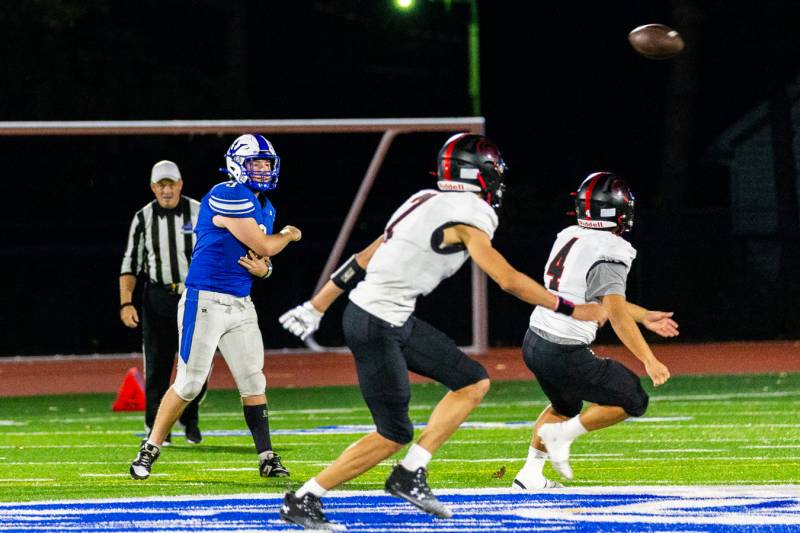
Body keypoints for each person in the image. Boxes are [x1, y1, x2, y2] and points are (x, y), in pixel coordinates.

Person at [276, 133, 608, 530]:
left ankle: (410, 472)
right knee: (393, 433)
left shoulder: (421, 198)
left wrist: (320, 303)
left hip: (388, 317)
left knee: (471, 381)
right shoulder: (472, 214)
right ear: (481, 174)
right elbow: (507, 280)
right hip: (376, 323)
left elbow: (366, 254)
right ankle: (304, 498)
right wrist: (572, 307)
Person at [129, 134, 302, 481]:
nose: (264, 169)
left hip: (241, 303)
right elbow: (264, 243)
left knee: (254, 381)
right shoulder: (228, 193)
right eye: (256, 163)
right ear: (239, 164)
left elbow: (260, 258)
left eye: (267, 163)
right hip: (205, 300)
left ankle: (267, 456)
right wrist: (288, 236)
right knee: (191, 382)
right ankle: (150, 448)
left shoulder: (263, 205)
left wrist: (266, 268)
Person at [511, 172, 676, 491]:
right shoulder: (610, 249)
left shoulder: (571, 235)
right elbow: (614, 311)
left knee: (565, 406)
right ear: (617, 212)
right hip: (563, 350)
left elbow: (599, 296)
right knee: (633, 399)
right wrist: (649, 359)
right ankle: (561, 436)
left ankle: (530, 476)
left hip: (535, 341)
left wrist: (643, 316)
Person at [120, 160, 206, 445]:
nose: (166, 190)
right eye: (161, 185)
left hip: (193, 296)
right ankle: (158, 427)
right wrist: (125, 303)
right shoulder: (143, 217)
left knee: (197, 363)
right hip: (157, 297)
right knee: (157, 364)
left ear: (180, 184)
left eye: (171, 184)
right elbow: (130, 263)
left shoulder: (199, 211)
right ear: (153, 188)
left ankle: (190, 419)